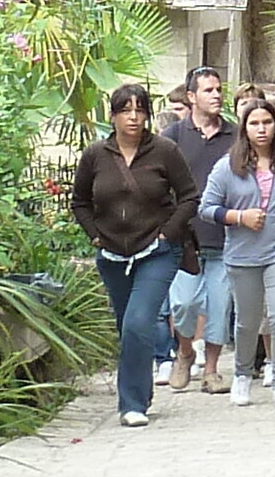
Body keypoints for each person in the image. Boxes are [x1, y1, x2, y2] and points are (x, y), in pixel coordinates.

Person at [69, 84, 194, 427]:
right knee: (128, 328)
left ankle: (132, 403)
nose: (133, 117)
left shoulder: (164, 150)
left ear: (148, 116)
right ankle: (139, 391)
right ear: (113, 116)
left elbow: (188, 197)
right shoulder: (95, 155)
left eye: (140, 110)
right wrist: (94, 235)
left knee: (140, 321)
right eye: (126, 110)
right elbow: (79, 201)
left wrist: (168, 232)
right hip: (112, 255)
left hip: (157, 251)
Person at [203, 96, 275, 409]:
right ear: (244, 128)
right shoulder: (227, 167)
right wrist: (239, 217)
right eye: (254, 123)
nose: (261, 129)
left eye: (267, 123)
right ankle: (241, 373)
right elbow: (206, 208)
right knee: (248, 321)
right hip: (242, 252)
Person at [161, 67, 238, 394]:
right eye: (208, 90)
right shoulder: (173, 136)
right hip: (184, 240)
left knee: (219, 308)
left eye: (218, 89)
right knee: (183, 304)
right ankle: (184, 352)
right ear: (191, 97)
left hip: (225, 238)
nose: (216, 95)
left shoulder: (235, 136)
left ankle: (211, 370)